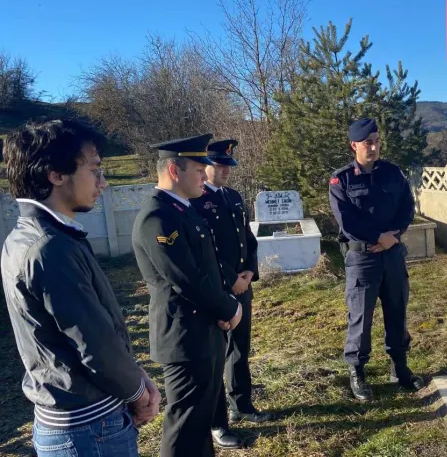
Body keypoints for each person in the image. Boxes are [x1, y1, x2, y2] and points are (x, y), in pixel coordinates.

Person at [1, 119, 160, 457]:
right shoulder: (49, 247)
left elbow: (97, 329)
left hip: (78, 421)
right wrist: (138, 393)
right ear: (55, 175)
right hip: (88, 430)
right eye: (95, 170)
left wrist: (136, 376)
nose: (103, 182)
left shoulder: (31, 236)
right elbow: (94, 344)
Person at [132, 134, 243, 457]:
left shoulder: (183, 211)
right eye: (199, 169)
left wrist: (222, 309)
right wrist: (229, 308)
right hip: (183, 335)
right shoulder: (159, 217)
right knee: (184, 424)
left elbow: (206, 271)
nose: (204, 176)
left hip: (202, 329)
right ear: (174, 170)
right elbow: (187, 279)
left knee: (200, 420)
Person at [328, 118, 424, 402]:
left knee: (397, 309)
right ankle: (357, 371)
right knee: (361, 315)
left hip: (392, 253)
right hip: (363, 257)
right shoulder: (341, 180)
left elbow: (407, 207)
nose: (373, 147)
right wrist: (378, 237)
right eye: (367, 143)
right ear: (354, 146)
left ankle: (400, 367)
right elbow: (346, 221)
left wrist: (393, 235)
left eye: (377, 142)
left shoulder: (392, 173)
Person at [190, 139, 271, 449]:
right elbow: (205, 248)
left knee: (240, 348)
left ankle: (242, 404)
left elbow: (247, 238)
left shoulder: (234, 196)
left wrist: (250, 271)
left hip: (242, 285)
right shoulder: (197, 201)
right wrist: (230, 279)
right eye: (219, 165)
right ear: (205, 167)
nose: (225, 170)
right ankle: (215, 420)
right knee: (214, 355)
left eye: (228, 165)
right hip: (218, 289)